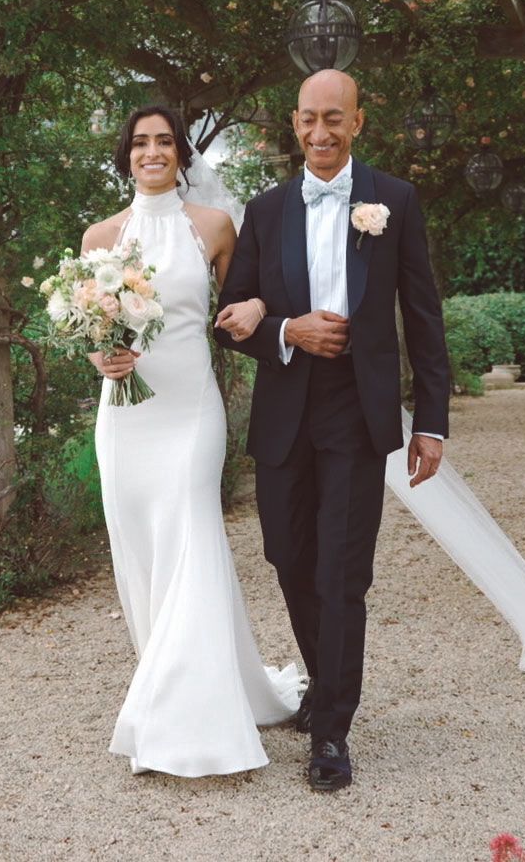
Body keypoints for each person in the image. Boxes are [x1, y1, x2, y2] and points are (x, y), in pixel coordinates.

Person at [210, 69, 452, 792]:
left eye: (335, 119)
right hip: (285, 408)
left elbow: (423, 317)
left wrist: (431, 422)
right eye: (310, 120)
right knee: (288, 556)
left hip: (357, 408)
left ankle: (332, 730)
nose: (321, 133)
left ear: (358, 122)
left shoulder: (396, 202)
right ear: (294, 124)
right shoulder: (266, 209)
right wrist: (285, 326)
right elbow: (231, 318)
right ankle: (324, 678)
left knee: (343, 571)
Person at [83, 104, 303, 777]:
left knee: (191, 540)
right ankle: (170, 689)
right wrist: (100, 358)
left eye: (166, 142)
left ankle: (190, 724)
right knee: (146, 556)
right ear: (126, 155)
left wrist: (261, 307)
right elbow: (92, 329)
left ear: (181, 154)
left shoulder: (214, 226)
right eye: (141, 142)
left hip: (190, 411)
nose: (153, 152)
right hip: (125, 416)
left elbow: (243, 304)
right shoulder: (99, 235)